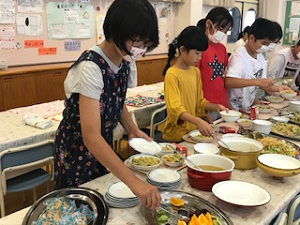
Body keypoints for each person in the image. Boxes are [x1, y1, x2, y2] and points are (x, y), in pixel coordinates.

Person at [54, 0, 161, 210]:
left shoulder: (126, 60)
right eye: (137, 41)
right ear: (115, 31)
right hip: (76, 153)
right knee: (78, 210)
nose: (141, 49)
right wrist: (134, 182)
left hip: (102, 146)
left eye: (146, 43)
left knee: (103, 201)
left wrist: (132, 129)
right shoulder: (91, 68)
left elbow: (116, 100)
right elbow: (91, 136)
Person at [162, 26, 227, 142]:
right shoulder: (172, 74)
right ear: (182, 50)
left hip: (192, 133)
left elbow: (199, 102)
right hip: (177, 135)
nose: (200, 58)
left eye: (201, 54)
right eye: (197, 53)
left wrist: (215, 106)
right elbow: (175, 109)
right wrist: (198, 121)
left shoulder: (195, 71)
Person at [225, 18, 290, 111]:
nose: (266, 47)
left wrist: (277, 88)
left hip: (247, 108)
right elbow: (229, 81)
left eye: (268, 44)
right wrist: (256, 81)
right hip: (232, 109)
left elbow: (262, 84)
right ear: (251, 38)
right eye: (264, 43)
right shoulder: (239, 57)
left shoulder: (261, 57)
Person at [196, 7, 233, 120]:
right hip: (205, 106)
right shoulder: (199, 48)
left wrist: (228, 104)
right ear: (208, 24)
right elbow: (194, 82)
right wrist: (203, 112)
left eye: (225, 31)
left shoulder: (222, 49)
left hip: (221, 106)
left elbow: (222, 79)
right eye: (220, 29)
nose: (222, 34)